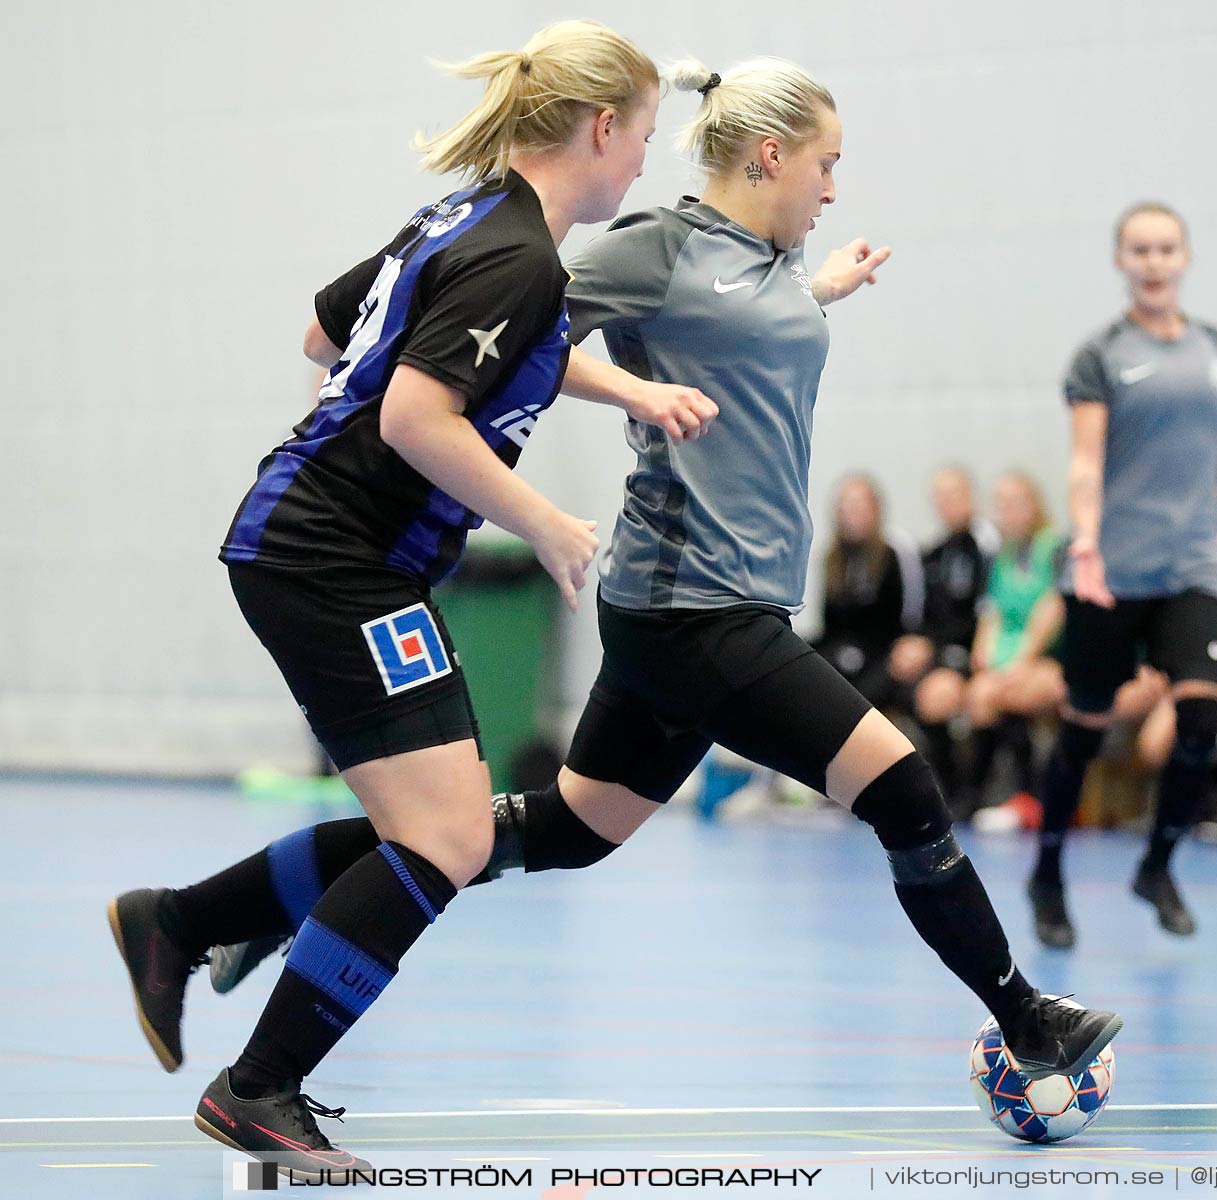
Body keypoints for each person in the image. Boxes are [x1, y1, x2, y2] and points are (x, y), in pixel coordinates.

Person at [198, 55, 1122, 1095]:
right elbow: (520, 323)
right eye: (826, 164)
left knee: (555, 831)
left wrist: (820, 292)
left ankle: (238, 909)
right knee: (902, 788)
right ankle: (1025, 1018)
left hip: (707, 604)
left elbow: (734, 327)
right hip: (691, 605)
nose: (832, 189)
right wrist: (602, 431)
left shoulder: (770, 267)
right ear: (769, 155)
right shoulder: (653, 249)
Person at [101, 24, 714, 1176]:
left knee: (429, 825)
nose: (641, 164)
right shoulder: (519, 255)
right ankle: (259, 1084)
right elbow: (412, 414)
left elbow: (331, 332)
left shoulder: (467, 221)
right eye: (640, 139)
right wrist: (546, 525)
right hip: (336, 562)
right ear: (598, 129)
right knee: (444, 836)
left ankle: (180, 922)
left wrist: (626, 383)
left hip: (316, 549)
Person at [1028, 201, 1217, 947]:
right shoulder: (1101, 356)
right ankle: (1049, 873)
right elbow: (1086, 461)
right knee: (1085, 731)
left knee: (1201, 715)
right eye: (1140, 250)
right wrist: (1086, 541)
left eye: (1166, 249)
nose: (1154, 262)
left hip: (1191, 562)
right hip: (1112, 571)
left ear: (1185, 257)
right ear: (1122, 262)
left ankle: (1157, 865)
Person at [957, 471, 1066, 818]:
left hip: (1050, 656)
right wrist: (985, 658)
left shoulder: (1054, 547)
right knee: (979, 695)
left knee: (1011, 693)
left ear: (1035, 505)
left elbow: (1053, 608)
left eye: (1016, 503)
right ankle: (977, 793)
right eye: (1002, 505)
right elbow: (992, 612)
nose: (1008, 512)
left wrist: (1024, 659)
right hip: (1009, 656)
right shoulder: (1002, 554)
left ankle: (1032, 794)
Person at [888, 467, 997, 797]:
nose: (948, 504)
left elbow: (991, 610)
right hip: (939, 650)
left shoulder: (987, 546)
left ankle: (968, 791)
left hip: (974, 650)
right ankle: (942, 788)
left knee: (938, 697)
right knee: (895, 685)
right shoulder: (933, 553)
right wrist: (915, 644)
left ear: (971, 497)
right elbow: (921, 616)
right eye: (941, 498)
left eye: (955, 495)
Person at [812, 474, 922, 712]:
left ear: (876, 510)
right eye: (847, 506)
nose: (853, 513)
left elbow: (913, 615)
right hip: (841, 653)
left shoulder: (894, 553)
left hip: (885, 655)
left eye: (860, 505)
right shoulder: (832, 559)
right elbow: (828, 627)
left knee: (855, 701)